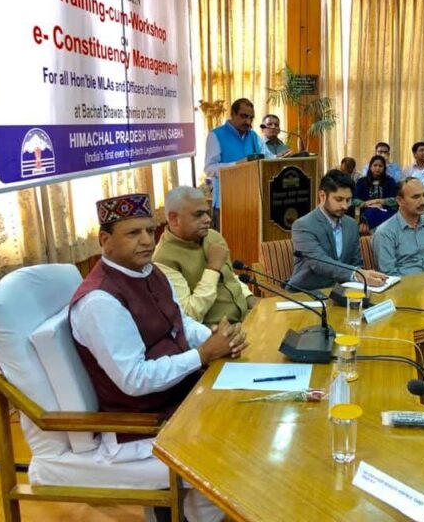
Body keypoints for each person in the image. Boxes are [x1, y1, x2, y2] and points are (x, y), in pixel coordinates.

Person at [70, 193, 245, 522]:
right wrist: (202, 354)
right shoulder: (100, 301)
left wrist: (217, 338)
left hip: (178, 399)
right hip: (141, 423)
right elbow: (134, 379)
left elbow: (181, 322)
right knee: (233, 448)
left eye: (150, 231)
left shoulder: (150, 272)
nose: (147, 240)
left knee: (249, 412)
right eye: (133, 233)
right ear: (105, 241)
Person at [153, 186, 258, 325]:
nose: (208, 219)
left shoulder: (213, 237)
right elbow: (189, 316)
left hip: (247, 318)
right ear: (174, 219)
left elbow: (230, 278)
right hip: (214, 333)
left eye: (207, 213)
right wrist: (213, 269)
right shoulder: (162, 260)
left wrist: (251, 299)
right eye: (198, 215)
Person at [288, 170, 387, 290]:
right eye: (339, 199)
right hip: (308, 293)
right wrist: (356, 274)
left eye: (348, 200)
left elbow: (356, 263)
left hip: (343, 291)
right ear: (322, 196)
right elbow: (319, 263)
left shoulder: (351, 224)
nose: (345, 206)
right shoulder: (303, 225)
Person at [204, 98, 275, 211]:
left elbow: (268, 157)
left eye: (251, 118)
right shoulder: (216, 135)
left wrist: (280, 158)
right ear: (232, 114)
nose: (248, 122)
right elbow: (209, 169)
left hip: (251, 202)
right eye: (244, 116)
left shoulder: (253, 135)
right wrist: (237, 165)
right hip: (226, 205)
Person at [373, 177, 424, 276]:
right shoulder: (385, 232)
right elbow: (389, 274)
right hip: (404, 284)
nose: (423, 202)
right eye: (416, 197)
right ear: (400, 201)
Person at [353, 155, 399, 231]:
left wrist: (378, 201)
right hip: (367, 210)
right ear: (370, 167)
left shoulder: (390, 181)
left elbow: (395, 200)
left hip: (386, 210)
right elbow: (355, 200)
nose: (377, 168)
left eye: (380, 166)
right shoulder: (362, 181)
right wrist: (369, 205)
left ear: (384, 168)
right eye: (375, 165)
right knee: (371, 213)